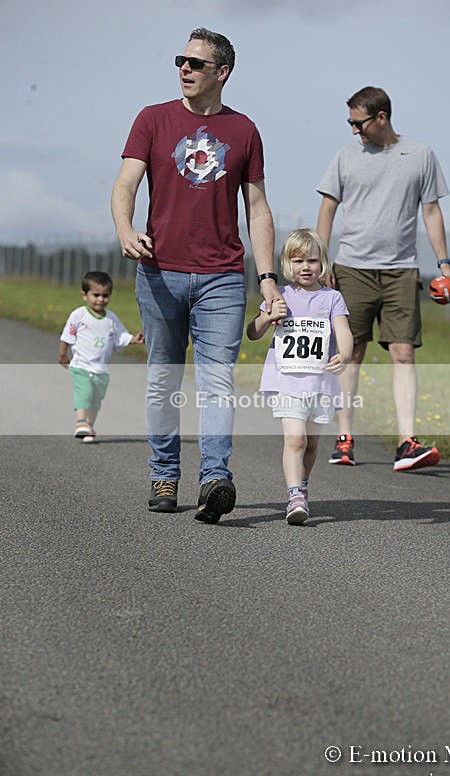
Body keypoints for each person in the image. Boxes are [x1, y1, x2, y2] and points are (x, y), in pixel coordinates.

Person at [111, 27, 281, 522]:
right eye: (179, 60)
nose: (184, 68)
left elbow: (258, 210)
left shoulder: (244, 130)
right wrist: (125, 228)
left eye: (195, 62)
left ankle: (215, 478)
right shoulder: (152, 119)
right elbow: (125, 183)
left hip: (223, 277)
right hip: (159, 274)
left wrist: (267, 277)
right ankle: (164, 471)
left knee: (217, 382)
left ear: (221, 72)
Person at [316, 86, 450, 471]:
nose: (353, 130)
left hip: (401, 269)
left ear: (381, 117)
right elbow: (328, 209)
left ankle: (406, 444)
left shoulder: (420, 154)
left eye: (357, 122)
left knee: (403, 353)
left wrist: (444, 263)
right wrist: (322, 259)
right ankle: (344, 440)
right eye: (349, 122)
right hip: (352, 268)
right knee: (351, 353)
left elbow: (431, 212)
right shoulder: (345, 157)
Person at [247, 229, 352, 524]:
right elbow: (253, 333)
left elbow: (344, 332)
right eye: (298, 261)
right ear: (286, 264)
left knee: (312, 444)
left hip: (320, 383)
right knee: (295, 440)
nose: (305, 267)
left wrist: (343, 355)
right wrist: (268, 316)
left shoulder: (332, 298)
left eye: (312, 260)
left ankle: (302, 485)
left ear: (323, 264)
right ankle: (294, 495)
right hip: (287, 382)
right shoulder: (279, 296)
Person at [59, 271, 144, 443]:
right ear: (84, 295)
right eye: (96, 295)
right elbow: (67, 335)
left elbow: (121, 337)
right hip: (81, 365)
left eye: (105, 296)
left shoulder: (111, 318)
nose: (100, 299)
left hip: (101, 369)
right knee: (85, 392)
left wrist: (134, 339)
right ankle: (81, 422)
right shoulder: (79, 315)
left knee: (96, 399)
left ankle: (89, 427)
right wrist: (63, 354)